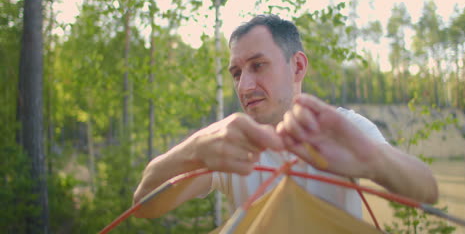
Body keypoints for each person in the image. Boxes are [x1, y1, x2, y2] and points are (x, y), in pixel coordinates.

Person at [133, 15, 438, 219]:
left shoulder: (343, 129)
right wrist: (195, 150)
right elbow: (144, 205)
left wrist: (371, 160)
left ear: (298, 67)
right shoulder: (230, 142)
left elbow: (427, 190)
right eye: (236, 73)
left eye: (258, 65)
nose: (244, 86)